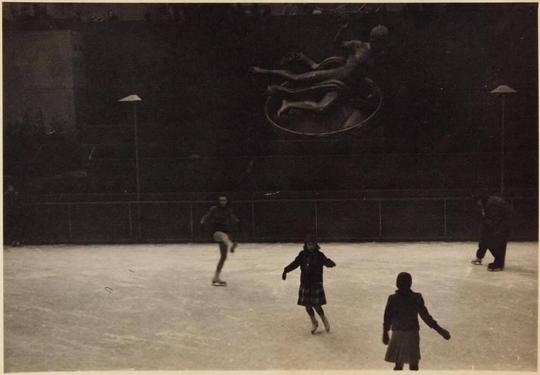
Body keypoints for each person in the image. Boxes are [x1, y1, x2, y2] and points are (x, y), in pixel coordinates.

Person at [251, 23, 388, 116]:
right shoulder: (359, 46)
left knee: (321, 107)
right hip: (335, 73)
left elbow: (369, 76)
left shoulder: (380, 57)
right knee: (296, 78)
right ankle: (263, 71)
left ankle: (290, 104)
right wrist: (341, 30)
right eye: (376, 40)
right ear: (372, 38)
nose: (378, 44)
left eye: (382, 41)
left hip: (344, 86)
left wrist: (370, 92)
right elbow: (337, 43)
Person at [383, 272, 451, 371]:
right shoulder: (416, 297)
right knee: (413, 363)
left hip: (398, 333)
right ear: (410, 283)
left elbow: (387, 317)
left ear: (397, 283)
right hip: (412, 333)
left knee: (398, 365)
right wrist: (440, 330)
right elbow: (426, 316)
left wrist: (385, 332)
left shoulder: (393, 298)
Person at [282, 235, 336, 334]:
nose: (311, 246)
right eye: (309, 244)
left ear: (316, 245)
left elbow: (325, 261)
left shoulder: (319, 255)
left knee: (317, 305)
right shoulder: (302, 255)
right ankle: (314, 322)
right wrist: (286, 270)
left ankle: (324, 320)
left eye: (313, 244)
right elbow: (295, 263)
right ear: (306, 245)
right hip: (305, 283)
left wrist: (330, 263)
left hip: (316, 283)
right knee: (307, 305)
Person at [200, 195, 240, 286]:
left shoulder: (228, 210)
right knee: (222, 236)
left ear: (226, 201)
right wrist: (204, 222)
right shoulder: (214, 209)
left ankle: (216, 277)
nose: (222, 202)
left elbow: (234, 220)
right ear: (218, 201)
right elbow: (206, 217)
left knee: (223, 257)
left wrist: (236, 222)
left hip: (225, 234)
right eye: (221, 200)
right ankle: (231, 245)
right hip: (216, 232)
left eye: (224, 200)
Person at [470, 192, 513, 271]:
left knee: (497, 241)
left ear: (480, 200)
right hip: (499, 222)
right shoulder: (487, 203)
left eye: (477, 202)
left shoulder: (492, 204)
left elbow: (494, 220)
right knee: (485, 236)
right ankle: (480, 257)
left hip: (503, 224)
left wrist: (486, 222)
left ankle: (499, 264)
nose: (477, 204)